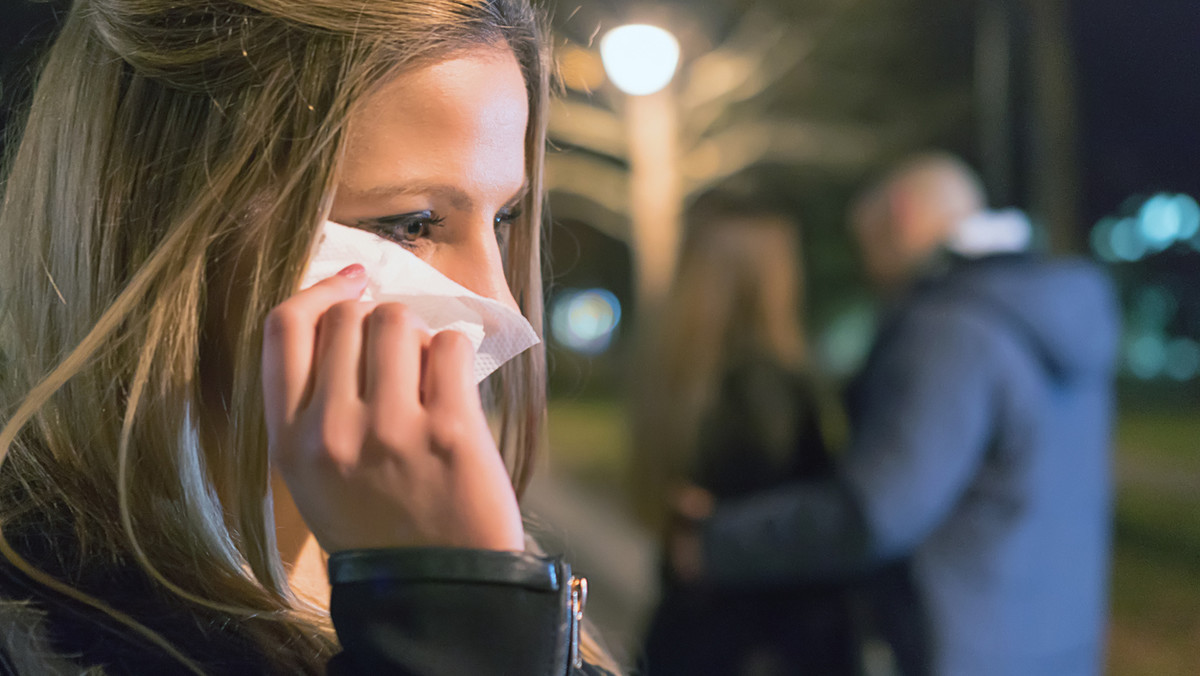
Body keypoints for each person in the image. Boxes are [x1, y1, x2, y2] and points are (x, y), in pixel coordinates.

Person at [0, 0, 616, 674]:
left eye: (502, 218)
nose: (498, 307)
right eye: (408, 223)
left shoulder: (462, 536)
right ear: (156, 216)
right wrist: (455, 615)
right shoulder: (47, 635)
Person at [665, 153, 1120, 676]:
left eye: (868, 247)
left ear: (901, 215)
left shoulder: (949, 330)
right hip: (1054, 646)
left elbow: (874, 513)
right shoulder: (1042, 310)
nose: (872, 276)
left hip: (958, 652)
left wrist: (717, 545)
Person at [633, 191, 860, 675]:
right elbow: (797, 522)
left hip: (688, 634)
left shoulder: (677, 380)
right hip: (768, 644)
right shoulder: (767, 388)